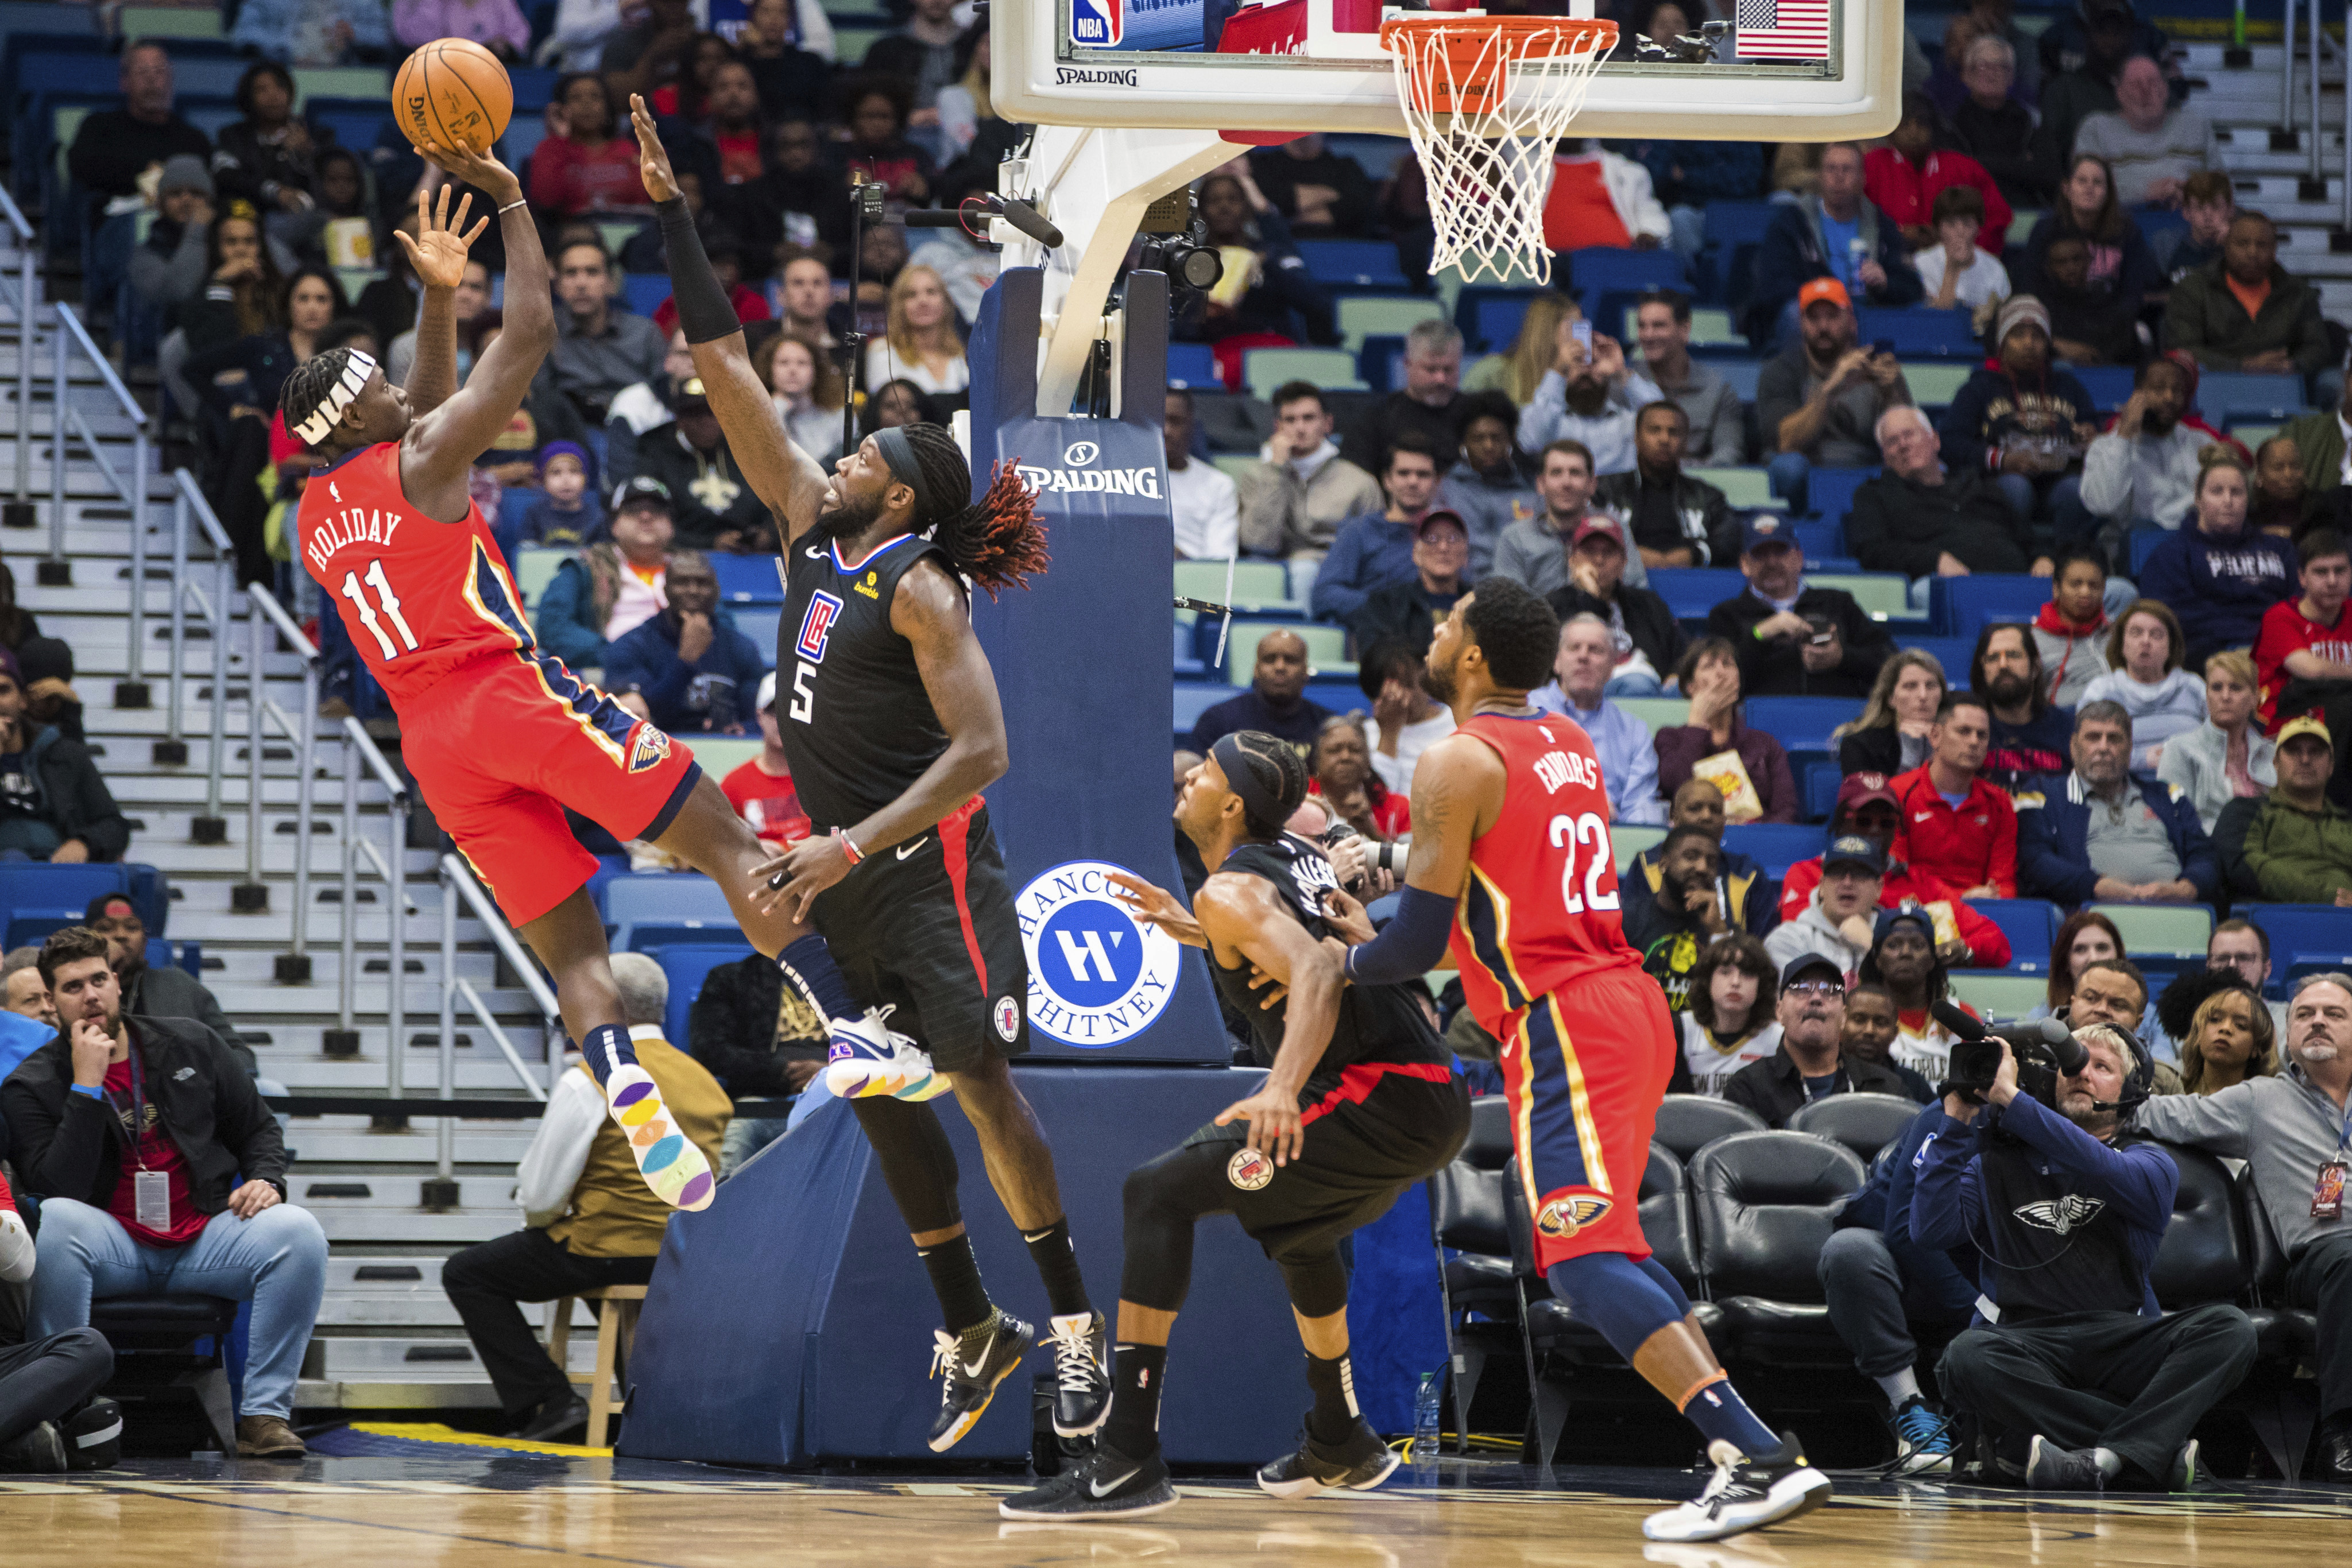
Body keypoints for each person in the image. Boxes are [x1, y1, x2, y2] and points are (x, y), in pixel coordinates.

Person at [633, 104, 1115, 1447]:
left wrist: (853, 846)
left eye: (861, 458)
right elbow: (726, 368)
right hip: (843, 861)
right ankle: (974, 1324)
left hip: (930, 869)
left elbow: (987, 755)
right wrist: (677, 215)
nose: (837, 456)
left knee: (979, 1089)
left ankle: (1076, 1338)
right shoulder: (807, 535)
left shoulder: (924, 591)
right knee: (867, 1080)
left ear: (898, 498)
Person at [285, 151, 851, 1228]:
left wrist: (439, 292)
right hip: (505, 693)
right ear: (353, 416)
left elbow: (429, 413)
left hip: (436, 748)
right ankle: (853, 1023)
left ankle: (622, 1084)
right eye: (372, 381)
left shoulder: (321, 518)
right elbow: (531, 341)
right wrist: (508, 202)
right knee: (727, 842)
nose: (393, 381)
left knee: (577, 949)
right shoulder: (421, 457)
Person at [1303, 577, 1830, 1540]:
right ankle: (1742, 1447)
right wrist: (1383, 863)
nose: (1432, 626)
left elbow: (1417, 944)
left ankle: (1755, 1454)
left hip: (1562, 1024)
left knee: (1581, 1260)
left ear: (1470, 654)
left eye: (1446, 618)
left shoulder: (1453, 758)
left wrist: (1342, 960)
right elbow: (1492, 860)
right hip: (1622, 1007)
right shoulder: (1562, 742)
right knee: (1605, 1246)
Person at [1004, 734, 1470, 1517]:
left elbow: (1317, 968)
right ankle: (1340, 1436)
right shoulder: (1290, 852)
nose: (1186, 775)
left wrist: (1282, 1085)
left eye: (1207, 771)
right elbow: (1289, 937)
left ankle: (1127, 1458)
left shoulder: (1233, 890)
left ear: (1232, 805)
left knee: (1156, 1192)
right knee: (1302, 1232)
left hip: (1375, 1090)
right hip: (1427, 1091)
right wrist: (1195, 928)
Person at [4, 927, 328, 1459]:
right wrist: (86, 1088)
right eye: (72, 987)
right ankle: (63, 1410)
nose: (90, 995)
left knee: (299, 1232)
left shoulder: (191, 1042)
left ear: (117, 984)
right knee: (60, 1218)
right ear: (53, 1002)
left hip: (202, 1235)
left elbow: (259, 1129)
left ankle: (263, 1417)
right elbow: (57, 1186)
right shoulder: (33, 1083)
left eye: (99, 979)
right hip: (113, 1244)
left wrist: (266, 1179)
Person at [1918, 1021, 2258, 1492]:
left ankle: (2092, 1457)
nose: (2081, 1073)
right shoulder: (1994, 1163)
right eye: (2069, 1065)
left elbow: (2100, 1167)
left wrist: (2016, 1103)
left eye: (2101, 1066)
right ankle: (2148, 1452)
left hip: (2121, 1336)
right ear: (2049, 1081)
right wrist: (1955, 1119)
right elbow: (1930, 1229)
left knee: (2231, 1328)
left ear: (2130, 1090)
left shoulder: (2152, 1162)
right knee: (1965, 1357)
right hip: (2028, 1339)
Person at [442, 953, 729, 1441]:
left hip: (605, 1246)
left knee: (468, 1273)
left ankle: (550, 1402)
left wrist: (543, 1222)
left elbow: (542, 1193)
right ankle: (648, 1404)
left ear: (601, 1003)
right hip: (677, 1253)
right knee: (612, 1271)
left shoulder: (592, 1077)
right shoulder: (705, 1080)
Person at [2129, 973, 2352, 1480]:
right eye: (2304, 1014)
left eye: (2333, 1014)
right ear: (2288, 1033)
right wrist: (2079, 1100)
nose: (2317, 1021)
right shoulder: (2260, 1101)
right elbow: (2165, 1114)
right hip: (2321, 1258)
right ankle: (2344, 1433)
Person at [1776, 773, 2013, 970]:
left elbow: (1997, 944)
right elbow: (1800, 933)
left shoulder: (1921, 884)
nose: (1876, 830)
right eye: (1864, 820)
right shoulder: (1808, 875)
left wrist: (1958, 950)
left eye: (1886, 823)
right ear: (1840, 824)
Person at [65, 42, 212, 326]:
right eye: (142, 72)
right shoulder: (100, 127)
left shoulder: (193, 139)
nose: (152, 80)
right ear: (124, 82)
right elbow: (82, 167)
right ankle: (129, 334)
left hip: (182, 231)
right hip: (119, 227)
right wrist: (141, 174)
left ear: (170, 80)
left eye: (159, 72)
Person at [2016, 701, 2217, 904]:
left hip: (2174, 910)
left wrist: (2186, 888)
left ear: (2130, 748)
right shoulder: (2042, 793)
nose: (2103, 747)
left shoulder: (2168, 796)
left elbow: (2205, 855)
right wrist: (2093, 886)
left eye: (2114, 738)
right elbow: (2034, 860)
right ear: (2073, 746)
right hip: (2091, 918)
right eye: (2093, 738)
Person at [1757, 278, 1916, 513]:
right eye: (1814, 318)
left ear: (1852, 322)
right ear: (1801, 323)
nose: (1823, 327)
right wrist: (1832, 386)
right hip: (1805, 475)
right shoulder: (1781, 370)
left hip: (1866, 469)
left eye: (1832, 317)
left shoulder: (1876, 368)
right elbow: (1785, 441)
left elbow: (1907, 439)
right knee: (1788, 467)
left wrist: (1891, 391)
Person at [1939, 297, 2098, 532]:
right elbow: (1950, 442)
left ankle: (2068, 561)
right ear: (2002, 342)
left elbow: (2094, 431)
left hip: (2058, 481)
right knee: (2016, 488)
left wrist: (2089, 436)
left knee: (2076, 490)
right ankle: (2014, 563)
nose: (2029, 343)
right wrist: (2002, 459)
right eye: (2018, 335)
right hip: (1999, 482)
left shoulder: (2069, 386)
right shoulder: (1979, 388)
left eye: (2038, 336)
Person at [1747, 141, 1924, 349]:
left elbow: (1911, 286)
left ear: (1862, 179)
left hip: (1863, 312)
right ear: (1820, 177)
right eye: (1831, 169)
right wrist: (1822, 298)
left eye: (1847, 170)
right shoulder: (1793, 222)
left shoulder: (1881, 226)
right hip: (1813, 312)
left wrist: (1885, 282)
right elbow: (1774, 285)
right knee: (1796, 315)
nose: (1839, 177)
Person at [2137, 453, 2298, 673]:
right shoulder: (2172, 554)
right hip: (2207, 658)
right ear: (2198, 498)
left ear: (2247, 499)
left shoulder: (2280, 549)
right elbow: (2171, 618)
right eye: (2217, 492)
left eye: (2237, 492)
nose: (2228, 501)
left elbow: (2302, 604)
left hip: (2279, 652)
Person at [1704, 515, 1894, 699]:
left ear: (1799, 558)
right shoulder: (1725, 615)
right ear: (1744, 564)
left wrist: (1842, 657)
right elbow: (1718, 682)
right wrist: (1760, 635)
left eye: (1780, 551)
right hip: (1758, 724)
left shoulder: (1838, 603)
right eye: (1760, 553)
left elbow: (1890, 665)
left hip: (1839, 720)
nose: (1771, 562)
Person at [1723, 954, 1916, 1127]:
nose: (1816, 998)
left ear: (1843, 1017)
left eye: (1829, 991)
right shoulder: (1748, 1088)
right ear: (1779, 1011)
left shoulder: (1886, 1090)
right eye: (1802, 988)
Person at [1849, 408, 2041, 582]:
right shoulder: (1875, 494)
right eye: (1892, 441)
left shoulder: (1977, 484)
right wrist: (1934, 560)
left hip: (2016, 581)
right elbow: (1873, 551)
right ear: (1884, 456)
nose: (1903, 445)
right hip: (1940, 585)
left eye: (1909, 434)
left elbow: (2025, 536)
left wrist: (2043, 558)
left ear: (1935, 440)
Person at [82, 893, 252, 1074]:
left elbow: (241, 1056)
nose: (120, 935)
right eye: (106, 929)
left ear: (145, 942)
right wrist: (104, 968)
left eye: (131, 927)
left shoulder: (180, 985)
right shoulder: (76, 992)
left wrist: (193, 1075)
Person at [2162, 212, 2335, 388]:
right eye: (2243, 244)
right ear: (2226, 246)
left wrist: (2292, 365)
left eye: (2262, 245)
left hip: (2283, 384)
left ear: (2274, 250)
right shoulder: (2193, 289)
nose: (2252, 252)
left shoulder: (2298, 292)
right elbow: (2184, 350)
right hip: (2214, 387)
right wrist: (2244, 367)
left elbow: (2317, 349)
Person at [604, 549, 766, 734]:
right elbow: (636, 720)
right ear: (665, 589)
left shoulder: (742, 648)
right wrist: (686, 662)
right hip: (658, 751)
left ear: (717, 591)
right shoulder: (632, 645)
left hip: (725, 751)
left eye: (702, 583)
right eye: (682, 582)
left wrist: (742, 729)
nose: (693, 590)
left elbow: (759, 719)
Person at [1533, 615, 1665, 824]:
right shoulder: (1524, 712)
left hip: (1610, 842)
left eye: (1595, 650)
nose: (1583, 656)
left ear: (1613, 667)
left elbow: (1640, 815)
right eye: (1574, 648)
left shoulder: (1634, 733)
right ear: (1556, 661)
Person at [533, 477, 676, 669]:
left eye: (657, 511)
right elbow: (554, 627)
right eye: (633, 511)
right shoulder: (584, 568)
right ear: (614, 525)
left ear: (671, 526)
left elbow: (719, 630)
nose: (646, 517)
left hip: (679, 670)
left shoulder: (693, 572)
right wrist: (614, 653)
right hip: (609, 673)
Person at [0, 649, 125, 866]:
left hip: (60, 871)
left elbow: (114, 825)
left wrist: (83, 843)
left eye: (3, 690)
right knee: (14, 860)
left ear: (22, 699)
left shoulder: (64, 753)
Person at [1655, 639, 1801, 823]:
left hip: (1753, 840)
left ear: (1738, 682)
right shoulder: (1670, 738)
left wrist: (1751, 826)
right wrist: (1698, 723)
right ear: (1690, 687)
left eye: (1728, 664)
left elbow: (1787, 812)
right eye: (1708, 666)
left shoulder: (1765, 744)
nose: (1720, 672)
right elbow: (1675, 788)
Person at [1237, 383, 1384, 564]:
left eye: (1309, 418)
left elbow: (1376, 550)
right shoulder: (1257, 476)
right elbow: (1257, 543)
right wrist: (1276, 470)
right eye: (1290, 420)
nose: (1300, 428)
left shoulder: (1360, 482)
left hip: (1336, 573)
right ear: (1278, 427)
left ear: (1327, 424)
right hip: (1276, 570)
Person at [1889, 692, 2018, 897]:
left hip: (1980, 914)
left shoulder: (1999, 803)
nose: (1974, 741)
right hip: (1917, 915)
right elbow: (1894, 882)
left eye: (1982, 735)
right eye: (1964, 731)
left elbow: (2003, 884)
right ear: (1935, 736)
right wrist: (1959, 900)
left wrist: (1990, 900)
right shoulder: (1898, 794)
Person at [2253, 532, 2352, 796]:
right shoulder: (2280, 617)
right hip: (2284, 714)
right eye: (2321, 572)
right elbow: (2311, 670)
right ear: (2302, 577)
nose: (2332, 581)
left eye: (2340, 571)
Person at [1625, 780, 1778, 946]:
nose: (1706, 816)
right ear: (1673, 815)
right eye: (1695, 808)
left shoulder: (1749, 875)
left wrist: (1719, 932)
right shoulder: (1646, 866)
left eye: (1716, 810)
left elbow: (1761, 956)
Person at [2017, 154, 2161, 328]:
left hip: (2111, 327)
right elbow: (2032, 287)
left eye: (2098, 182)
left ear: (2108, 192)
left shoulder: (2128, 232)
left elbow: (2132, 293)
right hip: (2058, 326)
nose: (2089, 188)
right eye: (2082, 181)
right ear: (2067, 188)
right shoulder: (2045, 231)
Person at [1313, 439, 1444, 624]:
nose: (1413, 482)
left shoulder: (1448, 536)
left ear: (1436, 482)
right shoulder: (1359, 531)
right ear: (1387, 480)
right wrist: (1385, 606)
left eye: (1423, 475)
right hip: (1378, 637)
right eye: (1403, 473)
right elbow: (1325, 594)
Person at [632, 377, 773, 551]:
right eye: (696, 413)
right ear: (680, 419)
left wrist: (767, 535)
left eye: (715, 412)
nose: (707, 421)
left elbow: (773, 507)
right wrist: (709, 543)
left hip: (750, 556)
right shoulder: (654, 451)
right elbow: (650, 518)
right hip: (684, 556)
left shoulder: (747, 450)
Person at [1863, 94, 2013, 254]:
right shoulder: (1872, 165)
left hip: (1955, 265)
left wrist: (1961, 245)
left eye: (1922, 124)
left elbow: (1999, 217)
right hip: (1889, 264)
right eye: (1905, 124)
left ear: (1934, 128)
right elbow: (1853, 217)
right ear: (1891, 130)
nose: (1913, 132)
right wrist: (1897, 233)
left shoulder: (1963, 168)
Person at [1591, 402, 1734, 569]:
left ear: (1685, 442)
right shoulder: (1605, 491)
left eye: (1673, 432)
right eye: (1654, 430)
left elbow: (1729, 543)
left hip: (1691, 583)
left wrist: (1693, 555)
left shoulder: (1708, 497)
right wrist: (1628, 554)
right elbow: (1584, 537)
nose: (1664, 439)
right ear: (1637, 438)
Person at [1514, 326, 1662, 479]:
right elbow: (1530, 441)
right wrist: (1558, 370)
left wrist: (1622, 375)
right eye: (1578, 361)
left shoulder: (1628, 423)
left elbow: (1664, 420)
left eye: (1594, 362)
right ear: (1565, 369)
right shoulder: (1550, 420)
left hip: (1621, 500)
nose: (1585, 371)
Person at [2078, 599, 2208, 771]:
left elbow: (2221, 743)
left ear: (2171, 646)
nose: (2146, 641)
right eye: (2136, 633)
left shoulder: (2194, 686)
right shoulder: (2102, 690)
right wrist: (2141, 760)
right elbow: (2086, 751)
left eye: (2156, 635)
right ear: (2121, 644)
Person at [2156, 651, 2277, 833]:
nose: (2225, 697)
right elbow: (2172, 817)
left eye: (2236, 688)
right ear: (2207, 695)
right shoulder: (2180, 749)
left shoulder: (2274, 753)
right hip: (2209, 850)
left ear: (2255, 698)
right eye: (2217, 688)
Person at [2072, 54, 2215, 208]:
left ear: (2165, 89)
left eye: (2153, 83)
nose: (2146, 91)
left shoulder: (2196, 127)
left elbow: (2223, 189)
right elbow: (2084, 193)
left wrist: (2192, 193)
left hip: (2190, 221)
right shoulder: (2096, 129)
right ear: (2120, 93)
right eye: (2136, 84)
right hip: (2120, 225)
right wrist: (2144, 193)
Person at [550, 239, 667, 424]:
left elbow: (665, 395)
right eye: (571, 273)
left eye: (592, 272)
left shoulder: (644, 333)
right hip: (571, 432)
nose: (581, 283)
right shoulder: (545, 338)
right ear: (558, 285)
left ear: (611, 283)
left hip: (637, 429)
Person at [2238, 714, 2352, 903]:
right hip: (2276, 918)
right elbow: (2245, 865)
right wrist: (2327, 896)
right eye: (2293, 751)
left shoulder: (2347, 823)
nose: (2305, 759)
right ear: (2275, 762)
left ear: (2331, 765)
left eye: (2315, 751)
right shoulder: (2247, 811)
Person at [1339, 320, 1468, 479]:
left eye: (1449, 369)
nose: (1441, 379)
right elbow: (1356, 483)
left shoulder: (1477, 415)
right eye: (1431, 369)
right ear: (1407, 364)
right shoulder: (1376, 419)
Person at [1628, 826, 1735, 1013]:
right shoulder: (1627, 920)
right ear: (1663, 864)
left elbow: (1734, 996)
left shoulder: (1721, 928)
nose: (1703, 868)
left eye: (1711, 862)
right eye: (1691, 857)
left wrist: (1718, 933)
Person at [1631, 291, 1743, 467]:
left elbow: (1728, 457)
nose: (1648, 335)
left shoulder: (1718, 390)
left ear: (1684, 330)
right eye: (1642, 326)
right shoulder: (1625, 385)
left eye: (1658, 326)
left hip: (1696, 486)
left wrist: (1674, 473)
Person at [1436, 392, 1539, 579]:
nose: (1489, 446)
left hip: (1523, 589)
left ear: (1510, 440)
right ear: (1464, 443)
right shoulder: (1447, 490)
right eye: (1478, 439)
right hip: (1465, 590)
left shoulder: (1531, 490)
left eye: (1496, 437)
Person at [1765, 834, 1892, 983]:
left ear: (1879, 888)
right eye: (1837, 873)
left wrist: (1871, 947)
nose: (1847, 883)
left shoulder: (1897, 939)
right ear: (1822, 886)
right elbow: (1798, 1002)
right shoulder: (1788, 938)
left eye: (1860, 874)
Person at [1189, 631, 1337, 757]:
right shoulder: (1218, 722)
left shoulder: (1328, 727)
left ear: (1306, 671)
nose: (1280, 667)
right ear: (1256, 670)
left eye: (1291, 660)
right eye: (1270, 660)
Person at [1345, 510, 1469, 657]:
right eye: (1432, 538)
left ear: (1465, 553)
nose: (1443, 547)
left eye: (1453, 538)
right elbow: (1377, 667)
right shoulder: (1385, 607)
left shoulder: (1479, 606)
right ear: (1416, 553)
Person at [529, 74, 651, 217]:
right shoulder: (550, 150)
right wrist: (560, 141)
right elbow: (547, 202)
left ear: (608, 107)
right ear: (562, 109)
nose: (586, 104)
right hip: (569, 231)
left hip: (625, 228)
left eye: (595, 97)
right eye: (575, 98)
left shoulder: (628, 150)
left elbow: (643, 203)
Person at [1947, 32, 2047, 208]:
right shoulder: (1950, 122)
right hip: (1969, 210)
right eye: (1983, 66)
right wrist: (2018, 166)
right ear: (1966, 75)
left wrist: (1976, 161)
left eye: (2001, 66)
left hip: (2021, 208)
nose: (1992, 73)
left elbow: (2046, 174)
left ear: (2011, 77)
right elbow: (1953, 174)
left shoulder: (2030, 121)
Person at [1975, 621, 2077, 791]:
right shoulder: (1968, 729)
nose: (2003, 665)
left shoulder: (2068, 728)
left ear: (2035, 667)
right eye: (1993, 658)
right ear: (1983, 670)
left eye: (2013, 655)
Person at [1677, 935, 1785, 1095]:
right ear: (1708, 980)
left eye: (1747, 974)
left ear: (1761, 986)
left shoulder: (1777, 1039)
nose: (1735, 982)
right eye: (1725, 972)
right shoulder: (1681, 1030)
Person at [721, 671, 813, 847]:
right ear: (759, 716)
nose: (783, 720)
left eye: (791, 711)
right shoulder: (735, 785)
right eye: (774, 711)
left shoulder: (822, 777)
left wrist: (781, 849)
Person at [1357, 641, 1456, 795]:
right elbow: (1378, 802)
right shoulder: (1363, 736)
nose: (1403, 697)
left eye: (1408, 684)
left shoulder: (1457, 723)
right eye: (1391, 690)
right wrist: (1389, 734)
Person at [1539, 139, 1672, 253]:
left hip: (1614, 264)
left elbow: (1650, 214)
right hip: (1543, 265)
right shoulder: (1527, 166)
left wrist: (1649, 233)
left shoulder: (1626, 170)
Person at [1836, 648, 1948, 776]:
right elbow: (1875, 796)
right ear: (1891, 698)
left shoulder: (1961, 738)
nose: (1923, 696)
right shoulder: (1860, 745)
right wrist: (1910, 756)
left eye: (1931, 686)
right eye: (1910, 686)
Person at [862, 265, 966, 398]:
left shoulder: (960, 355)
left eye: (931, 292)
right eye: (911, 295)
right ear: (899, 306)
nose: (923, 301)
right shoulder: (882, 352)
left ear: (946, 302)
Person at [1164, 387, 1239, 563]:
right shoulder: (1124, 477)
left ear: (1191, 425)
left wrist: (1172, 556)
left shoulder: (1219, 485)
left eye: (1175, 421)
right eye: (1159, 420)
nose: (1166, 430)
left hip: (1191, 581)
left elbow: (1220, 563)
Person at [1307, 717, 1410, 843]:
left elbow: (1411, 860)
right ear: (1317, 759)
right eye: (1335, 750)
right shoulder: (1300, 799)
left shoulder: (1399, 809)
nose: (1346, 757)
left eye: (1355, 750)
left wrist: (1372, 832)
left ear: (1368, 759)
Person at [2168, 979, 2278, 1095]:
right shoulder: (2172, 1093)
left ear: (2257, 1046)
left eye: (2241, 1026)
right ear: (2199, 1033)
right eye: (2215, 1019)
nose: (2225, 1028)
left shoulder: (2268, 1105)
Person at [1914, 185, 2012, 312]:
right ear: (1939, 229)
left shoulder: (1995, 270)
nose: (1960, 232)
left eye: (1967, 223)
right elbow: (1932, 321)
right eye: (1951, 224)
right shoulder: (1922, 264)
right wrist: (1952, 268)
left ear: (1978, 228)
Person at [1840, 981, 1939, 1101]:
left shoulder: (1913, 1083)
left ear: (1895, 1033)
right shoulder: (1827, 1075)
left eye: (1881, 1023)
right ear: (1841, 1023)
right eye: (1859, 1020)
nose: (1869, 1031)